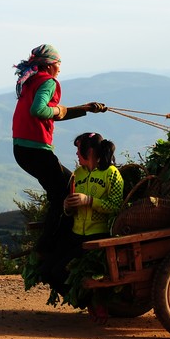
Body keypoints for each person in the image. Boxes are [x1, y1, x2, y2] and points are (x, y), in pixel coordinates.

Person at [11, 44, 107, 254]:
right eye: (59, 64)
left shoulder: (30, 82)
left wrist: (85, 109)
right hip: (36, 149)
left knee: (62, 187)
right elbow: (40, 110)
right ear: (51, 65)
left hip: (21, 149)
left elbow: (52, 113)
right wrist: (58, 109)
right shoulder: (48, 82)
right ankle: (51, 245)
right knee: (65, 191)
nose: (60, 69)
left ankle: (51, 240)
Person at [46, 132, 124, 321]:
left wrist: (89, 200)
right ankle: (87, 301)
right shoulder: (77, 175)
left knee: (74, 271)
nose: (76, 154)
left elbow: (116, 206)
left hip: (98, 236)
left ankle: (97, 301)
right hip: (75, 234)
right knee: (51, 271)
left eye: (78, 149)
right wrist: (67, 207)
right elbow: (71, 208)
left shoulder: (112, 174)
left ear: (89, 151)